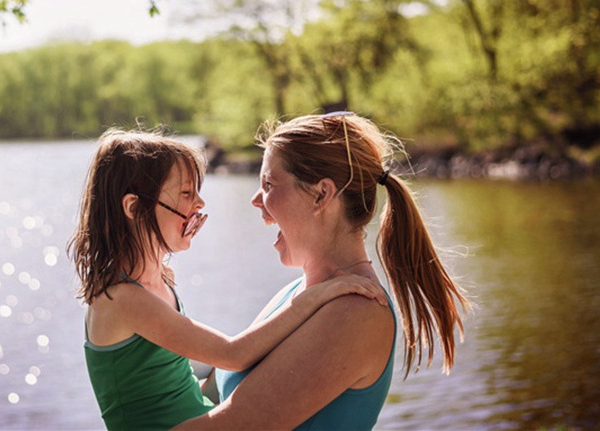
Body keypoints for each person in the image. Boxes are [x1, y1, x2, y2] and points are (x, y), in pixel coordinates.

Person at [67, 128, 388, 431]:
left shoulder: (159, 281)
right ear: (135, 207)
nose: (200, 204)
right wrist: (314, 298)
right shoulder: (123, 299)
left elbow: (174, 369)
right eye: (185, 193)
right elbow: (232, 355)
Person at [177, 112, 469, 430]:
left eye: (269, 184)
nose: (256, 200)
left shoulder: (358, 312)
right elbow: (208, 392)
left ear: (321, 194)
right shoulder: (299, 294)